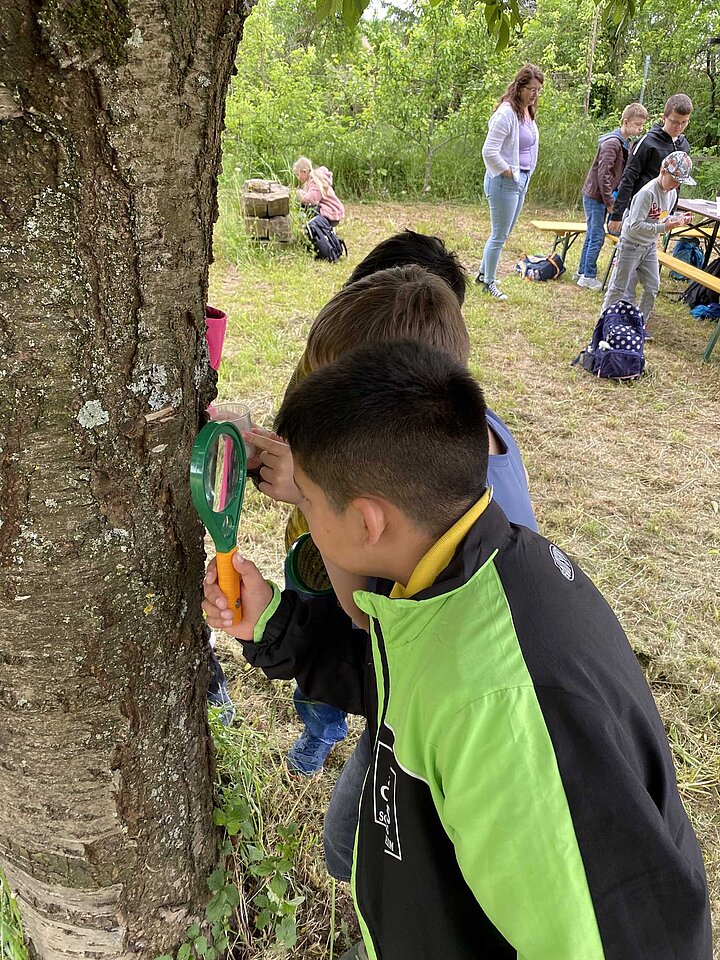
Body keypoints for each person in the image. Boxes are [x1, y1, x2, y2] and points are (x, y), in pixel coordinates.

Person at [203, 340, 712, 960]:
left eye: (306, 501)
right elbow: (407, 677)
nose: (302, 509)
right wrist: (276, 625)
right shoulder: (457, 573)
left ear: (368, 523)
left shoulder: (506, 707)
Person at [249, 262, 536, 785]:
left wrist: (313, 496)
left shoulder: (447, 568)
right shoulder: (462, 433)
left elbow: (366, 620)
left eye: (331, 403)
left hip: (430, 708)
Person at [601, 151, 695, 336]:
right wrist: (663, 227)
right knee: (619, 287)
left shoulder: (671, 194)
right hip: (631, 244)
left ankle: (638, 324)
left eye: (680, 181)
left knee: (652, 286)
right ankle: (605, 323)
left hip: (649, 246)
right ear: (663, 170)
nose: (676, 184)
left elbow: (661, 217)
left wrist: (677, 219)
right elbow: (635, 225)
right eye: (674, 179)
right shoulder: (647, 193)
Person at [476, 64, 544, 302]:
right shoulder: (506, 113)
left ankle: (484, 273)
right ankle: (489, 283)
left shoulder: (527, 112)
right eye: (531, 89)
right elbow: (489, 151)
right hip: (505, 182)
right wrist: (508, 172)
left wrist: (522, 176)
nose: (535, 95)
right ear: (519, 87)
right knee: (498, 235)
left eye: (538, 90)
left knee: (502, 234)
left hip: (521, 180)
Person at [576, 102, 649, 291]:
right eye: (637, 125)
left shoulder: (626, 143)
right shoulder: (612, 143)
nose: (640, 129)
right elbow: (604, 175)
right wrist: (610, 202)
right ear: (626, 122)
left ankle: (582, 271)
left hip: (602, 196)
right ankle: (588, 275)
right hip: (596, 196)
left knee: (593, 235)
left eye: (642, 125)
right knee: (597, 236)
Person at [607, 93, 693, 235]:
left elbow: (677, 184)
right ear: (664, 118)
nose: (679, 127)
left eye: (684, 122)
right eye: (674, 122)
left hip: (660, 214)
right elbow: (628, 178)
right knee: (627, 252)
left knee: (646, 253)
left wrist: (671, 215)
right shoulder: (647, 142)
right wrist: (617, 215)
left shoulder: (684, 146)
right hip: (638, 210)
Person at [292, 156, 345, 226]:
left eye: (298, 175)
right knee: (304, 205)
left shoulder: (314, 180)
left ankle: (312, 226)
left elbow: (312, 199)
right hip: (329, 210)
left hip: (331, 213)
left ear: (304, 171)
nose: (298, 178)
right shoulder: (310, 180)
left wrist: (299, 193)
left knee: (307, 207)